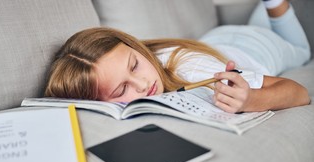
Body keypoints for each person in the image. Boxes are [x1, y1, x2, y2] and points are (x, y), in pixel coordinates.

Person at [45, 0, 311, 113]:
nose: (141, 85)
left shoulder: (197, 73)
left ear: (135, 47)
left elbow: (300, 93)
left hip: (263, 46)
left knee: (301, 50)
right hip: (221, 35)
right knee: (259, 19)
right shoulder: (151, 57)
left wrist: (252, 99)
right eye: (121, 89)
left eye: (135, 65)